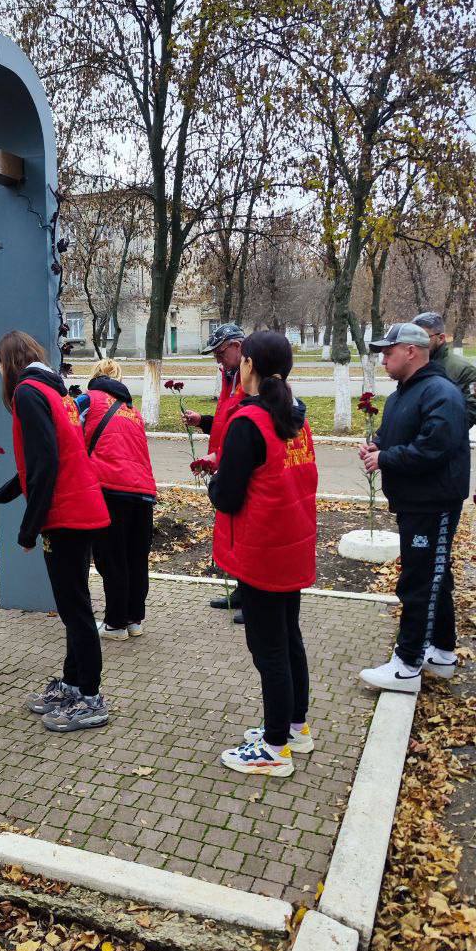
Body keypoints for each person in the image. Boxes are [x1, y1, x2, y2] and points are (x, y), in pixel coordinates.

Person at [208, 330, 318, 778]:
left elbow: (228, 496)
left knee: (269, 649)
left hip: (263, 551)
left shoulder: (248, 422)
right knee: (289, 640)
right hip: (292, 545)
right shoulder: (296, 418)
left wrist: (214, 483)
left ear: (248, 364)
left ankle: (274, 749)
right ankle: (295, 728)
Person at [0, 330, 110, 732]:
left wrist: (30, 529)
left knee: (75, 610)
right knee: (73, 607)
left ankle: (91, 698)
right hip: (80, 508)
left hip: (67, 515)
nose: (0, 372)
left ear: (8, 362)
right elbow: (44, 461)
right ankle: (74, 684)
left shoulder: (27, 393)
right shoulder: (53, 391)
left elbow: (45, 465)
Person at [358, 322, 470, 693]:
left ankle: (407, 666)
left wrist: (385, 458)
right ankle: (442, 652)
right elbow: (395, 435)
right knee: (433, 576)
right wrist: (376, 446)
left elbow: (433, 448)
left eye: (388, 352)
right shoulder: (404, 393)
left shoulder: (441, 392)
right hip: (414, 502)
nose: (383, 360)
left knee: (419, 581)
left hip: (433, 503)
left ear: (411, 351)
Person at [75, 358, 157, 640]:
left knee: (112, 557)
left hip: (109, 489)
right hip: (142, 491)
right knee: (136, 558)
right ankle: (135, 620)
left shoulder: (87, 400)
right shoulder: (132, 410)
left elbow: (69, 432)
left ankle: (115, 624)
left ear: (95, 376)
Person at [182, 322, 246, 617]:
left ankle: (255, 599)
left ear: (237, 346)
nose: (218, 360)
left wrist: (219, 456)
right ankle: (243, 591)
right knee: (233, 533)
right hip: (227, 463)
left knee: (245, 534)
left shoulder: (252, 380)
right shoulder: (230, 376)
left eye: (221, 353)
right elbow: (227, 422)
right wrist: (204, 421)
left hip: (240, 466)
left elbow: (248, 431)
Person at [412, 311, 476, 428]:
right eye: (413, 338)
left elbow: (471, 411)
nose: (416, 343)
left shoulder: (464, 370)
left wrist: (438, 431)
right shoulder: (413, 365)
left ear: (441, 338)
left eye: (423, 337)